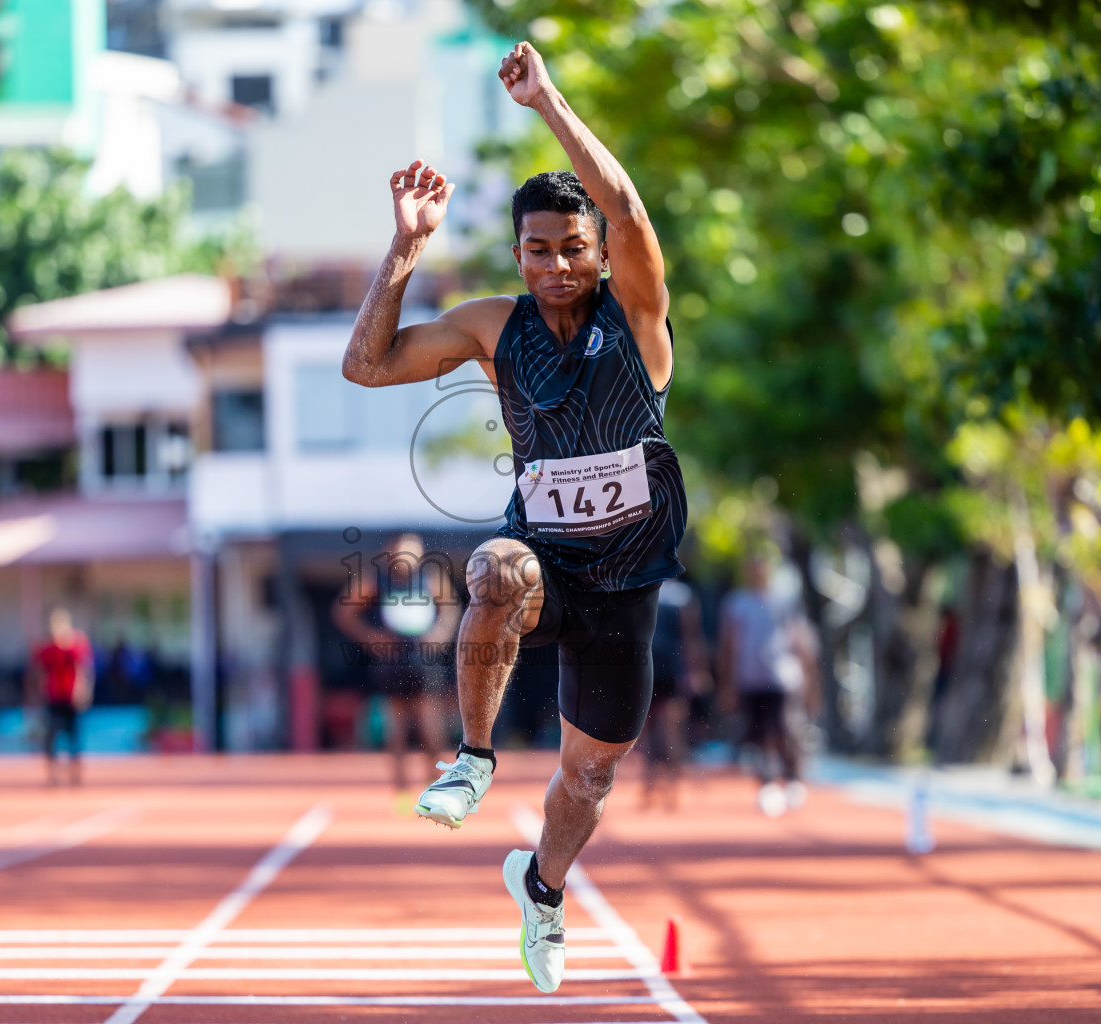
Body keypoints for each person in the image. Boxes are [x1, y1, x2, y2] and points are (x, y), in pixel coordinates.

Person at [340, 41, 686, 993]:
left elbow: (625, 204)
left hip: (625, 585)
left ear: (601, 254)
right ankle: (473, 757)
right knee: (495, 571)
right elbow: (367, 366)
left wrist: (548, 102)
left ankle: (540, 887)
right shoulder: (498, 328)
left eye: (574, 249)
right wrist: (405, 251)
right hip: (542, 556)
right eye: (538, 250)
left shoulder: (640, 314)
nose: (558, 265)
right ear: (519, 254)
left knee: (588, 779)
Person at [333, 533, 461, 806]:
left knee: (431, 728)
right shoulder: (376, 579)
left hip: (423, 660)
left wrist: (439, 634)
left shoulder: (431, 577)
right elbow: (343, 611)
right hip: (392, 661)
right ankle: (402, 792)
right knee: (397, 729)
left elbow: (450, 609)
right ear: (392, 554)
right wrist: (372, 638)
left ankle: (433, 788)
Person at [717, 554, 817, 817]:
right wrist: (726, 684)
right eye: (752, 570)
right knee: (758, 733)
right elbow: (728, 645)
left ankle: (794, 777)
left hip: (782, 678)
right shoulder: (736, 603)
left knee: (785, 727)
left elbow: (800, 641)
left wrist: (809, 679)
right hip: (750, 679)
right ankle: (768, 782)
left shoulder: (784, 602)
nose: (757, 574)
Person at [638, 578, 710, 811]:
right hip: (666, 669)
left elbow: (690, 636)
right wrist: (695, 670)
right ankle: (666, 787)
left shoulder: (642, 587)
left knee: (651, 730)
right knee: (668, 729)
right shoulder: (682, 595)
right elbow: (692, 637)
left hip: (651, 667)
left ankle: (655, 786)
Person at [32, 607, 93, 786]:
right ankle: (53, 775)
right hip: (53, 696)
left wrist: (82, 690)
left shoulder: (76, 644)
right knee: (51, 736)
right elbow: (39, 672)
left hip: (71, 697)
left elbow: (84, 669)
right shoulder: (47, 648)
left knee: (74, 734)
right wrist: (38, 692)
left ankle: (75, 774)